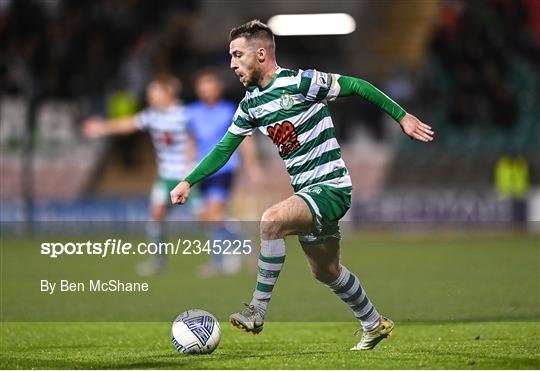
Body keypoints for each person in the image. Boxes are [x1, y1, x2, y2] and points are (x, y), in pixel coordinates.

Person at [170, 20, 434, 350]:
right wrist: (188, 180)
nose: (232, 64)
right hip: (307, 192)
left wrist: (402, 117)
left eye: (238, 55)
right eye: (231, 56)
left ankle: (257, 310)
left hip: (331, 186)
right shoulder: (251, 105)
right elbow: (224, 149)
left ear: (261, 54)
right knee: (326, 272)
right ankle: (373, 323)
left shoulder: (301, 82)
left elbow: (358, 85)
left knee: (270, 221)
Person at [82, 74, 195, 276]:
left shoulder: (185, 114)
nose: (150, 97)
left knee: (208, 217)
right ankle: (158, 261)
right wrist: (102, 128)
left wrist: (191, 166)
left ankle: (231, 249)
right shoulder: (152, 115)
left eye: (154, 93)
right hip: (165, 176)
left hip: (188, 177)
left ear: (167, 93)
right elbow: (128, 124)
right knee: (156, 216)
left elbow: (194, 139)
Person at [188, 69, 261, 277]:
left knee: (214, 214)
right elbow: (191, 140)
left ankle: (217, 262)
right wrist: (187, 164)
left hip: (223, 169)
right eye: (203, 88)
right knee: (208, 218)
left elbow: (245, 138)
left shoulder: (229, 110)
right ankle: (244, 243)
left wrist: (252, 165)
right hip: (201, 171)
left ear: (218, 89)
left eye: (210, 87)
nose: (207, 91)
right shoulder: (192, 112)